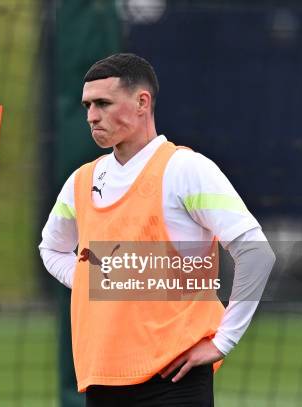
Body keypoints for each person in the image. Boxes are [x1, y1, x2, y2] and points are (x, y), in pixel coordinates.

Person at [39, 53, 276, 406]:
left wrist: (223, 340)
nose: (91, 116)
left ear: (141, 102)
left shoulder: (185, 169)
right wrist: (97, 279)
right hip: (102, 379)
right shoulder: (82, 180)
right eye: (87, 105)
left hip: (173, 381)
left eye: (103, 103)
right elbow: (51, 248)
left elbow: (256, 253)